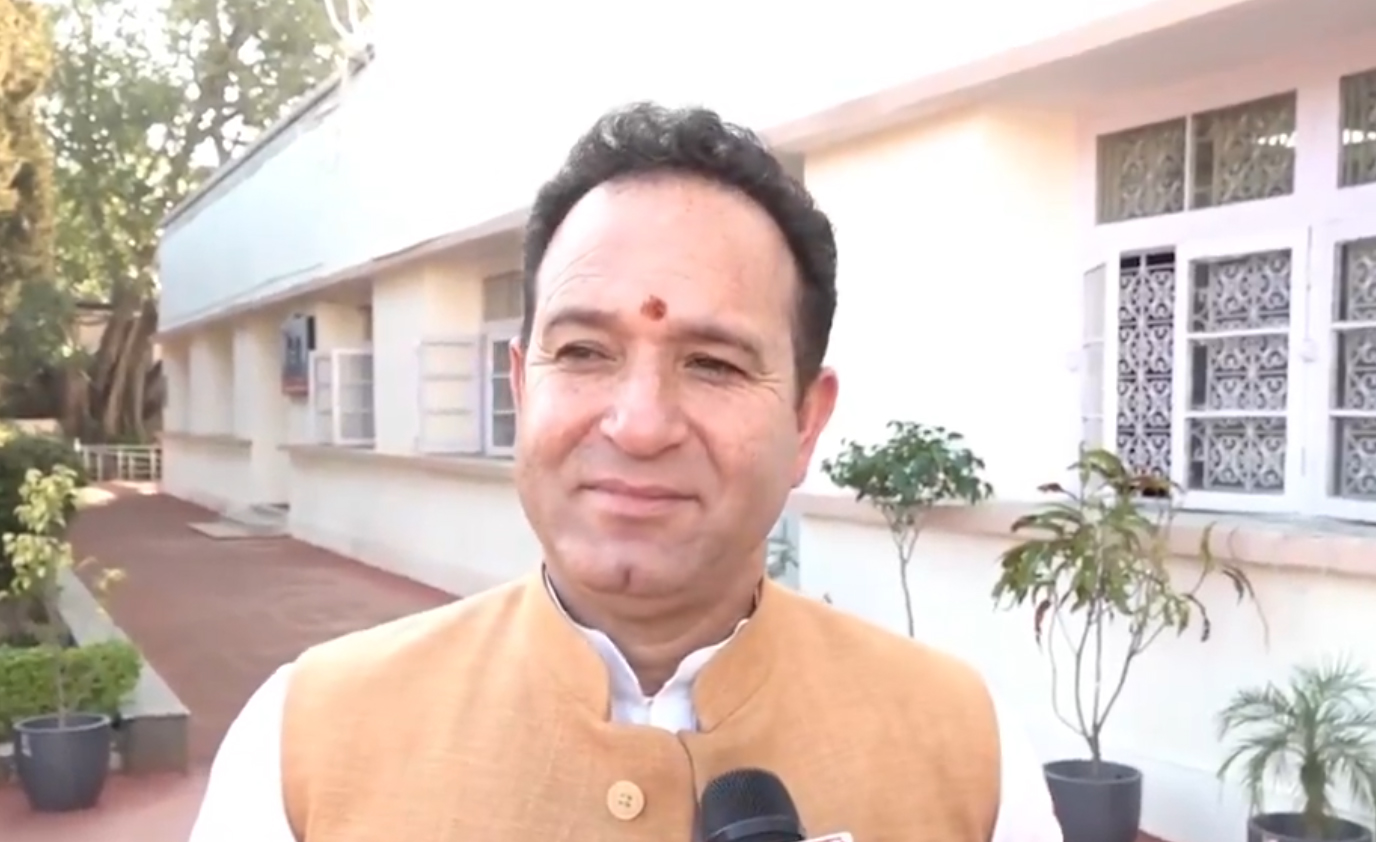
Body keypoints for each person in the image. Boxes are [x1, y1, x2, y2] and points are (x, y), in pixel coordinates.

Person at [187, 102, 1063, 842]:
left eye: (713, 363)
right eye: (583, 351)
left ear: (806, 422)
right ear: (521, 389)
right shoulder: (305, 744)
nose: (639, 425)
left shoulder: (968, 755)